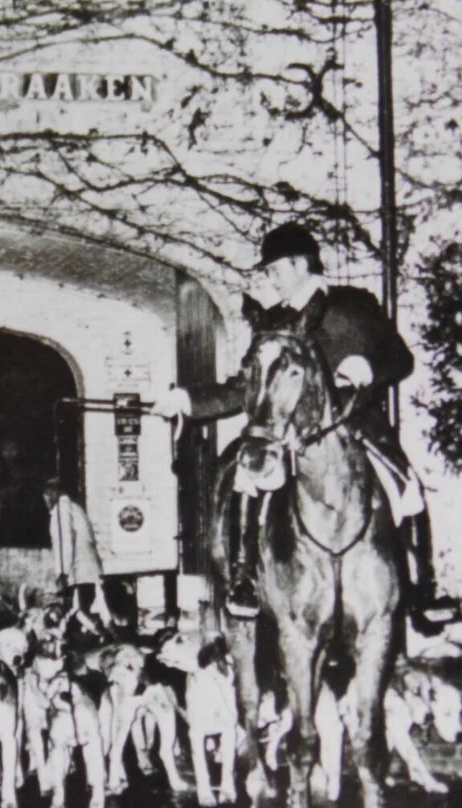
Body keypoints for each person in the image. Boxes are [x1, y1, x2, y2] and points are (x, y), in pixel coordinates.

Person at [157, 222, 456, 628]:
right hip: (288, 435)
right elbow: (245, 387)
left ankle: (423, 590)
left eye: (275, 270)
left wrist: (368, 366)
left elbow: (400, 358)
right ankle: (244, 579)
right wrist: (189, 400)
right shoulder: (273, 320)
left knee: (408, 488)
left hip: (357, 429)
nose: (270, 279)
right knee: (247, 476)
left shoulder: (354, 305)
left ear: (301, 264)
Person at [42, 474, 114, 629]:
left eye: (46, 494)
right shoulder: (75, 508)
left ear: (54, 493)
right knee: (86, 614)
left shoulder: (62, 509)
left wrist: (62, 572)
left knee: (79, 615)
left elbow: (64, 541)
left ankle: (101, 639)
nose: (45, 499)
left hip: (79, 573)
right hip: (88, 572)